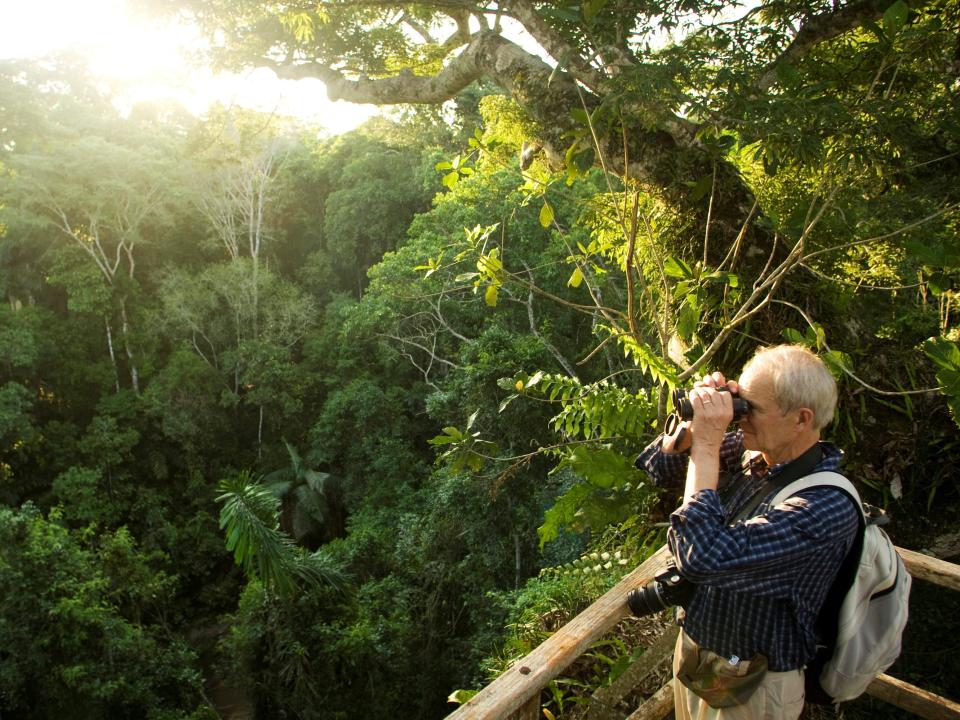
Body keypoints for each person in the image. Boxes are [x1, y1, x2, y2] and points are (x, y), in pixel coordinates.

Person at [634, 344, 860, 720]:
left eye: (750, 408)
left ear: (802, 419)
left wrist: (708, 445)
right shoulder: (755, 452)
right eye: (740, 403)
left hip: (753, 689)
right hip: (698, 658)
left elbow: (701, 556)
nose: (740, 418)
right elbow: (663, 470)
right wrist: (693, 428)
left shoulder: (824, 508)